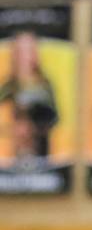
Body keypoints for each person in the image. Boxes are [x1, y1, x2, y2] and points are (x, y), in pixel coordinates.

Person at [0, 31, 59, 159]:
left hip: (39, 152)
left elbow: (54, 117)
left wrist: (36, 126)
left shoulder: (44, 84)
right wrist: (10, 128)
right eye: (21, 51)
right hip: (13, 154)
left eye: (28, 51)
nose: (24, 56)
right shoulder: (9, 85)